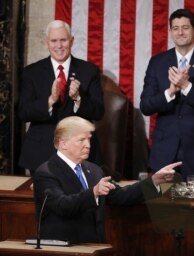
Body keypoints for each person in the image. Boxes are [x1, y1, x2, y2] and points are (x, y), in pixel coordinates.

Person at [33, 116, 182, 243]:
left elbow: (121, 195)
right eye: (81, 140)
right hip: (62, 248)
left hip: (94, 246)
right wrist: (94, 192)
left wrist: (154, 181)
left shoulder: (94, 170)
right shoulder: (46, 172)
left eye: (89, 140)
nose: (88, 145)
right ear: (63, 143)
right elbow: (62, 205)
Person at [140, 9, 194, 184]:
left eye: (185, 27)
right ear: (170, 31)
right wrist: (170, 92)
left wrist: (186, 86)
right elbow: (146, 106)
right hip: (164, 152)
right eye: (175, 28)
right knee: (164, 209)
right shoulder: (157, 62)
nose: (180, 32)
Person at [18, 20, 104, 175]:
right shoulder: (31, 72)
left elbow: (98, 112)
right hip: (41, 152)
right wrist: (50, 100)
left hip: (80, 152)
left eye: (63, 40)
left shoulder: (89, 71)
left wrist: (78, 98)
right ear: (46, 42)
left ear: (71, 41)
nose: (59, 46)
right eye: (54, 41)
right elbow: (23, 112)